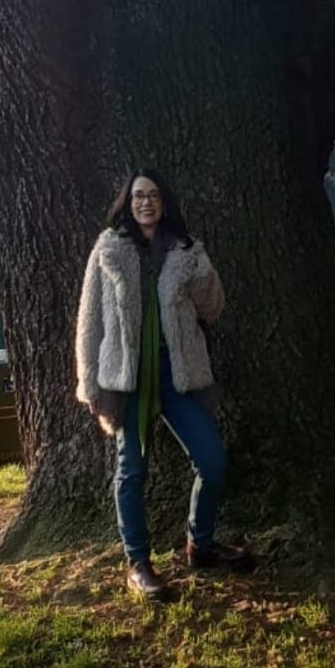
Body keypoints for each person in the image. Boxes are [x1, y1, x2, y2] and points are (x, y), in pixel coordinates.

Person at [76, 170, 252, 602]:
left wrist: (201, 268)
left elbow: (213, 307)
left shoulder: (185, 251)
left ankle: (200, 545)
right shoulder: (109, 249)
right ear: (128, 202)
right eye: (138, 195)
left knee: (212, 461)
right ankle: (138, 564)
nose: (146, 202)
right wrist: (89, 382)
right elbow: (89, 321)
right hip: (129, 378)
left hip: (179, 375)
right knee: (132, 470)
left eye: (153, 195)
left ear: (164, 202)